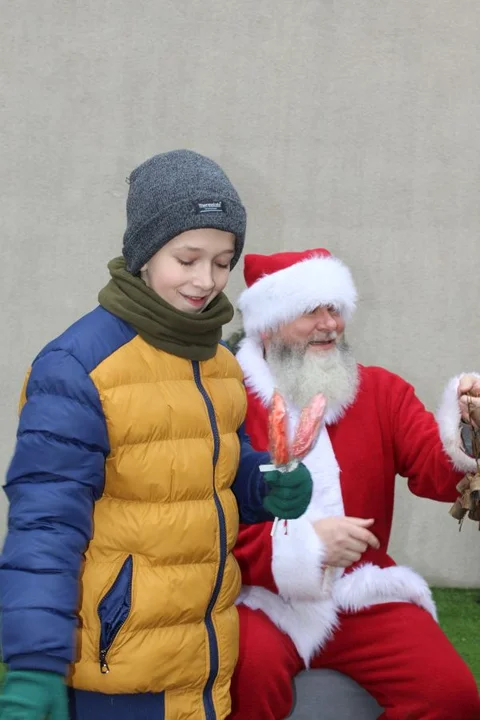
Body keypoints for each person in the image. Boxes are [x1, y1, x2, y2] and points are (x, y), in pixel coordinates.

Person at [0, 152, 313, 720]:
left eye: (222, 262)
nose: (205, 280)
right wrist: (34, 661)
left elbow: (211, 471)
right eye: (187, 258)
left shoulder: (217, 362)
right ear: (144, 253)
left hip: (201, 665)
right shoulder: (78, 368)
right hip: (115, 673)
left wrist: (262, 483)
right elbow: (45, 523)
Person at [228, 247, 480, 720]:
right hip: (260, 597)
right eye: (311, 310)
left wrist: (468, 432)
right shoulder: (225, 402)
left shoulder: (381, 391)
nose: (330, 324)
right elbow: (210, 519)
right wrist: (306, 547)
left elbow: (437, 470)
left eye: (335, 309)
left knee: (451, 695)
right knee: (244, 680)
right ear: (268, 322)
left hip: (359, 590)